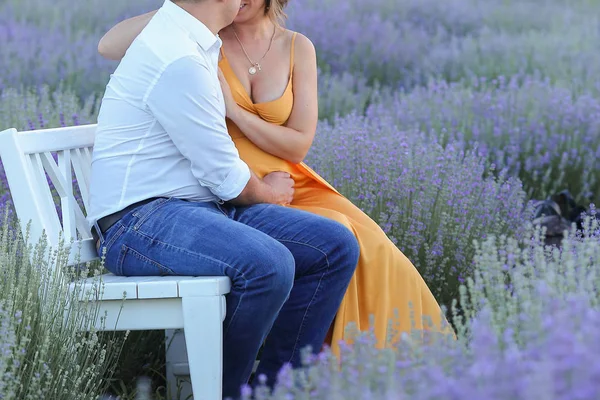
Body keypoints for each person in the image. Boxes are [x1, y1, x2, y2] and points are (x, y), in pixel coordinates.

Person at [98, 0, 453, 358]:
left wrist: (235, 112)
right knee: (281, 258)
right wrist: (185, 7)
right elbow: (109, 46)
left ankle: (376, 362)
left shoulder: (294, 46)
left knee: (357, 241)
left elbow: (298, 145)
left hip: (276, 182)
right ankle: (263, 389)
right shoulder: (202, 35)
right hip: (228, 188)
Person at [87, 0, 361, 400]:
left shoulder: (196, 43)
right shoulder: (178, 57)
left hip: (197, 208)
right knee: (269, 264)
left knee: (333, 247)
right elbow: (225, 177)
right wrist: (271, 193)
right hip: (139, 222)